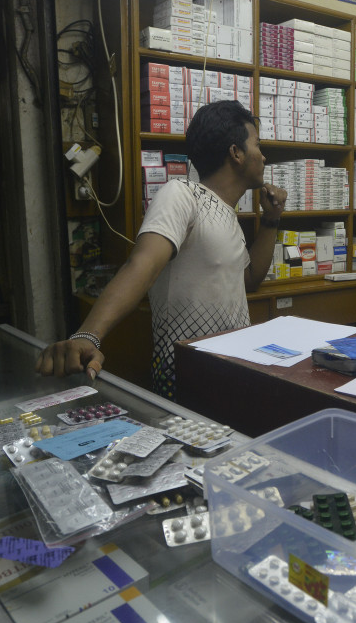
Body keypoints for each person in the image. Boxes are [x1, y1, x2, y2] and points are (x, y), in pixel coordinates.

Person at [36, 100, 288, 399]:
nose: (263, 156)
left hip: (229, 366)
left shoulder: (227, 215)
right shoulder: (182, 194)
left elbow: (248, 279)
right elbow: (142, 264)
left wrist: (271, 220)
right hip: (184, 372)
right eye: (257, 145)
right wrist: (88, 335)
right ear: (236, 153)